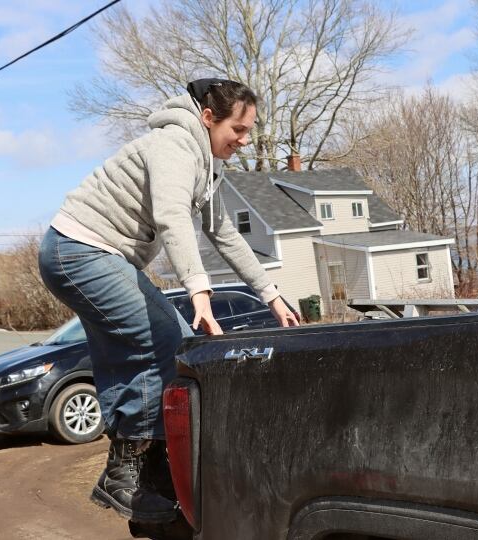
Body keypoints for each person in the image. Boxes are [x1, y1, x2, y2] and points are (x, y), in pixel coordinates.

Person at [38, 78, 299, 524]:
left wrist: (270, 293)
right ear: (208, 118)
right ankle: (133, 471)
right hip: (78, 249)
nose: (244, 139)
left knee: (127, 350)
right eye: (238, 129)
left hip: (93, 254)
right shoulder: (176, 144)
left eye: (250, 130)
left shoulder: (208, 165)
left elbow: (224, 235)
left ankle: (137, 475)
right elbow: (172, 216)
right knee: (165, 336)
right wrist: (199, 288)